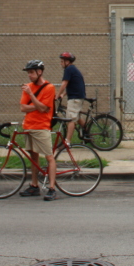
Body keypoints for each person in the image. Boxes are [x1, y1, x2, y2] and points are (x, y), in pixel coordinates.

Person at [19, 60, 59, 201]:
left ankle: (52, 188)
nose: (29, 75)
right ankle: (34, 185)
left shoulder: (49, 88)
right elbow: (23, 108)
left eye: (31, 72)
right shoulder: (28, 87)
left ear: (39, 72)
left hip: (42, 126)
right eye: (28, 73)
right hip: (28, 126)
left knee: (49, 157)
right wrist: (39, 105)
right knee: (33, 158)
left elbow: (45, 109)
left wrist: (31, 96)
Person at [57, 52, 86, 143]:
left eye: (62, 61)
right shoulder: (73, 69)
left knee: (71, 120)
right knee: (77, 117)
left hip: (74, 98)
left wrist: (57, 95)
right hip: (78, 96)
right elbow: (73, 85)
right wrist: (63, 94)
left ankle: (67, 142)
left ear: (67, 62)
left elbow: (64, 83)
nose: (61, 63)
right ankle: (87, 134)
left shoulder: (69, 69)